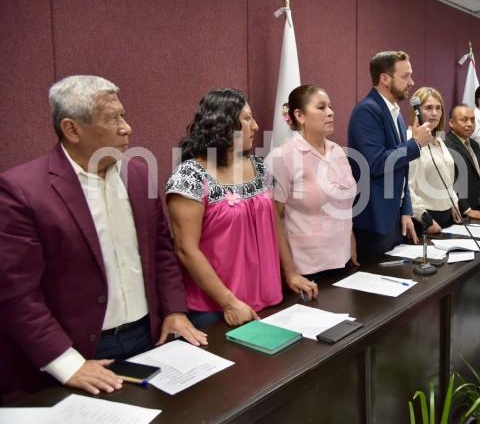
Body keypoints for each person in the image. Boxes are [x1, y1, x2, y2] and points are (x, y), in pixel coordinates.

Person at [0, 75, 207, 402]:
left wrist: (174, 311)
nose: (127, 128)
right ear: (72, 129)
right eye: (113, 119)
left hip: (148, 335)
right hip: (80, 351)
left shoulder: (138, 175)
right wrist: (66, 363)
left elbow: (162, 253)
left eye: (123, 115)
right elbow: (16, 293)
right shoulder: (23, 191)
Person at [166, 89, 282, 329]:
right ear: (223, 124)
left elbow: (275, 223)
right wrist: (229, 302)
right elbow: (186, 249)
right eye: (247, 118)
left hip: (267, 297)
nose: (256, 126)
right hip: (216, 309)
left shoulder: (259, 167)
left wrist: (290, 274)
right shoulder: (189, 176)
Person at [267, 85, 357, 300]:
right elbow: (273, 220)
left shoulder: (338, 152)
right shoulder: (282, 157)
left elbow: (343, 202)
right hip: (307, 272)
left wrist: (351, 240)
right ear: (299, 115)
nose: (330, 112)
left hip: (344, 261)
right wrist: (289, 272)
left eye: (330, 107)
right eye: (321, 107)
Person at [348, 51, 434, 262]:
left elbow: (400, 168)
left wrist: (406, 209)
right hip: (374, 220)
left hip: (395, 218)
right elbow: (375, 162)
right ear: (385, 79)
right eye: (405, 77)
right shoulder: (367, 111)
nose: (411, 82)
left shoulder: (394, 112)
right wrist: (414, 144)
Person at [406, 87, 462, 235]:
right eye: (429, 108)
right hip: (425, 220)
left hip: (447, 216)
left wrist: (453, 203)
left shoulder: (438, 140)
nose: (435, 113)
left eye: (438, 108)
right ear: (416, 111)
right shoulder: (410, 141)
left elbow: (446, 178)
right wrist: (425, 219)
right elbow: (407, 187)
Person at [444, 104, 480, 221]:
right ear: (451, 123)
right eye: (464, 120)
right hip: (461, 213)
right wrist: (467, 210)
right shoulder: (446, 145)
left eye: (472, 120)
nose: (469, 124)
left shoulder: (474, 144)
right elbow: (451, 182)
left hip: (479, 208)